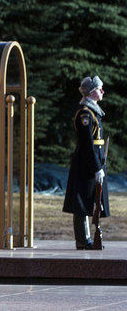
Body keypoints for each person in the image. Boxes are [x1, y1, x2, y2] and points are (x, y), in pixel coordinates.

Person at [63, 75, 110, 250]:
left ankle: (88, 238)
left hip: (93, 161)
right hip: (86, 163)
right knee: (82, 202)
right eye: (99, 88)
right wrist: (96, 167)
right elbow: (87, 143)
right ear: (91, 93)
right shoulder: (85, 113)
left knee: (93, 200)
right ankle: (82, 240)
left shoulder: (93, 111)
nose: (102, 91)